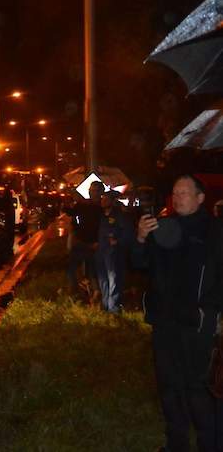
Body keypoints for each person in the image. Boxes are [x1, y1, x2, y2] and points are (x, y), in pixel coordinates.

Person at [134, 174, 223, 452]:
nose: (178, 197)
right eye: (174, 192)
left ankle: (210, 445)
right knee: (169, 388)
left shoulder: (215, 231)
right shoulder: (164, 228)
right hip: (164, 322)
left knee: (199, 389)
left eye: (185, 192)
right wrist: (140, 238)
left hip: (198, 324)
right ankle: (176, 444)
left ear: (200, 198)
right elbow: (139, 265)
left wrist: (214, 314)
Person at [63, 181, 104, 296]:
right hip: (80, 242)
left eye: (96, 191)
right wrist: (68, 198)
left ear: (101, 192)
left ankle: (94, 293)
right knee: (72, 269)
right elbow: (70, 212)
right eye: (91, 190)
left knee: (92, 271)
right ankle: (75, 292)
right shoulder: (83, 205)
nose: (93, 193)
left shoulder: (103, 207)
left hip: (95, 244)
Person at [95, 190, 131, 313]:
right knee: (103, 279)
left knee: (113, 279)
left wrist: (117, 241)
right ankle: (105, 305)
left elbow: (127, 232)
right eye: (102, 198)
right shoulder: (102, 216)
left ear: (112, 201)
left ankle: (113, 307)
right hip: (102, 251)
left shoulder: (119, 215)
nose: (102, 201)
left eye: (105, 199)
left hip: (113, 252)